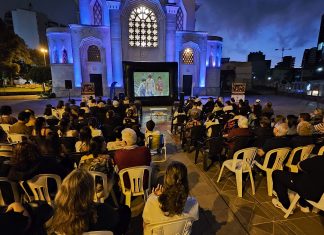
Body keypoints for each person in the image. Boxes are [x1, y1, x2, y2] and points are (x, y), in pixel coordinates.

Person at [47, 169, 131, 235]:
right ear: (89, 191)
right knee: (125, 211)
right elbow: (115, 221)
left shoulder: (57, 218)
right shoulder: (104, 211)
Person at [142, 161, 199, 234]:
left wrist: (154, 196)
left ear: (166, 179)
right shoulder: (193, 203)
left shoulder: (151, 202)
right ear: (185, 181)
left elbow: (145, 225)